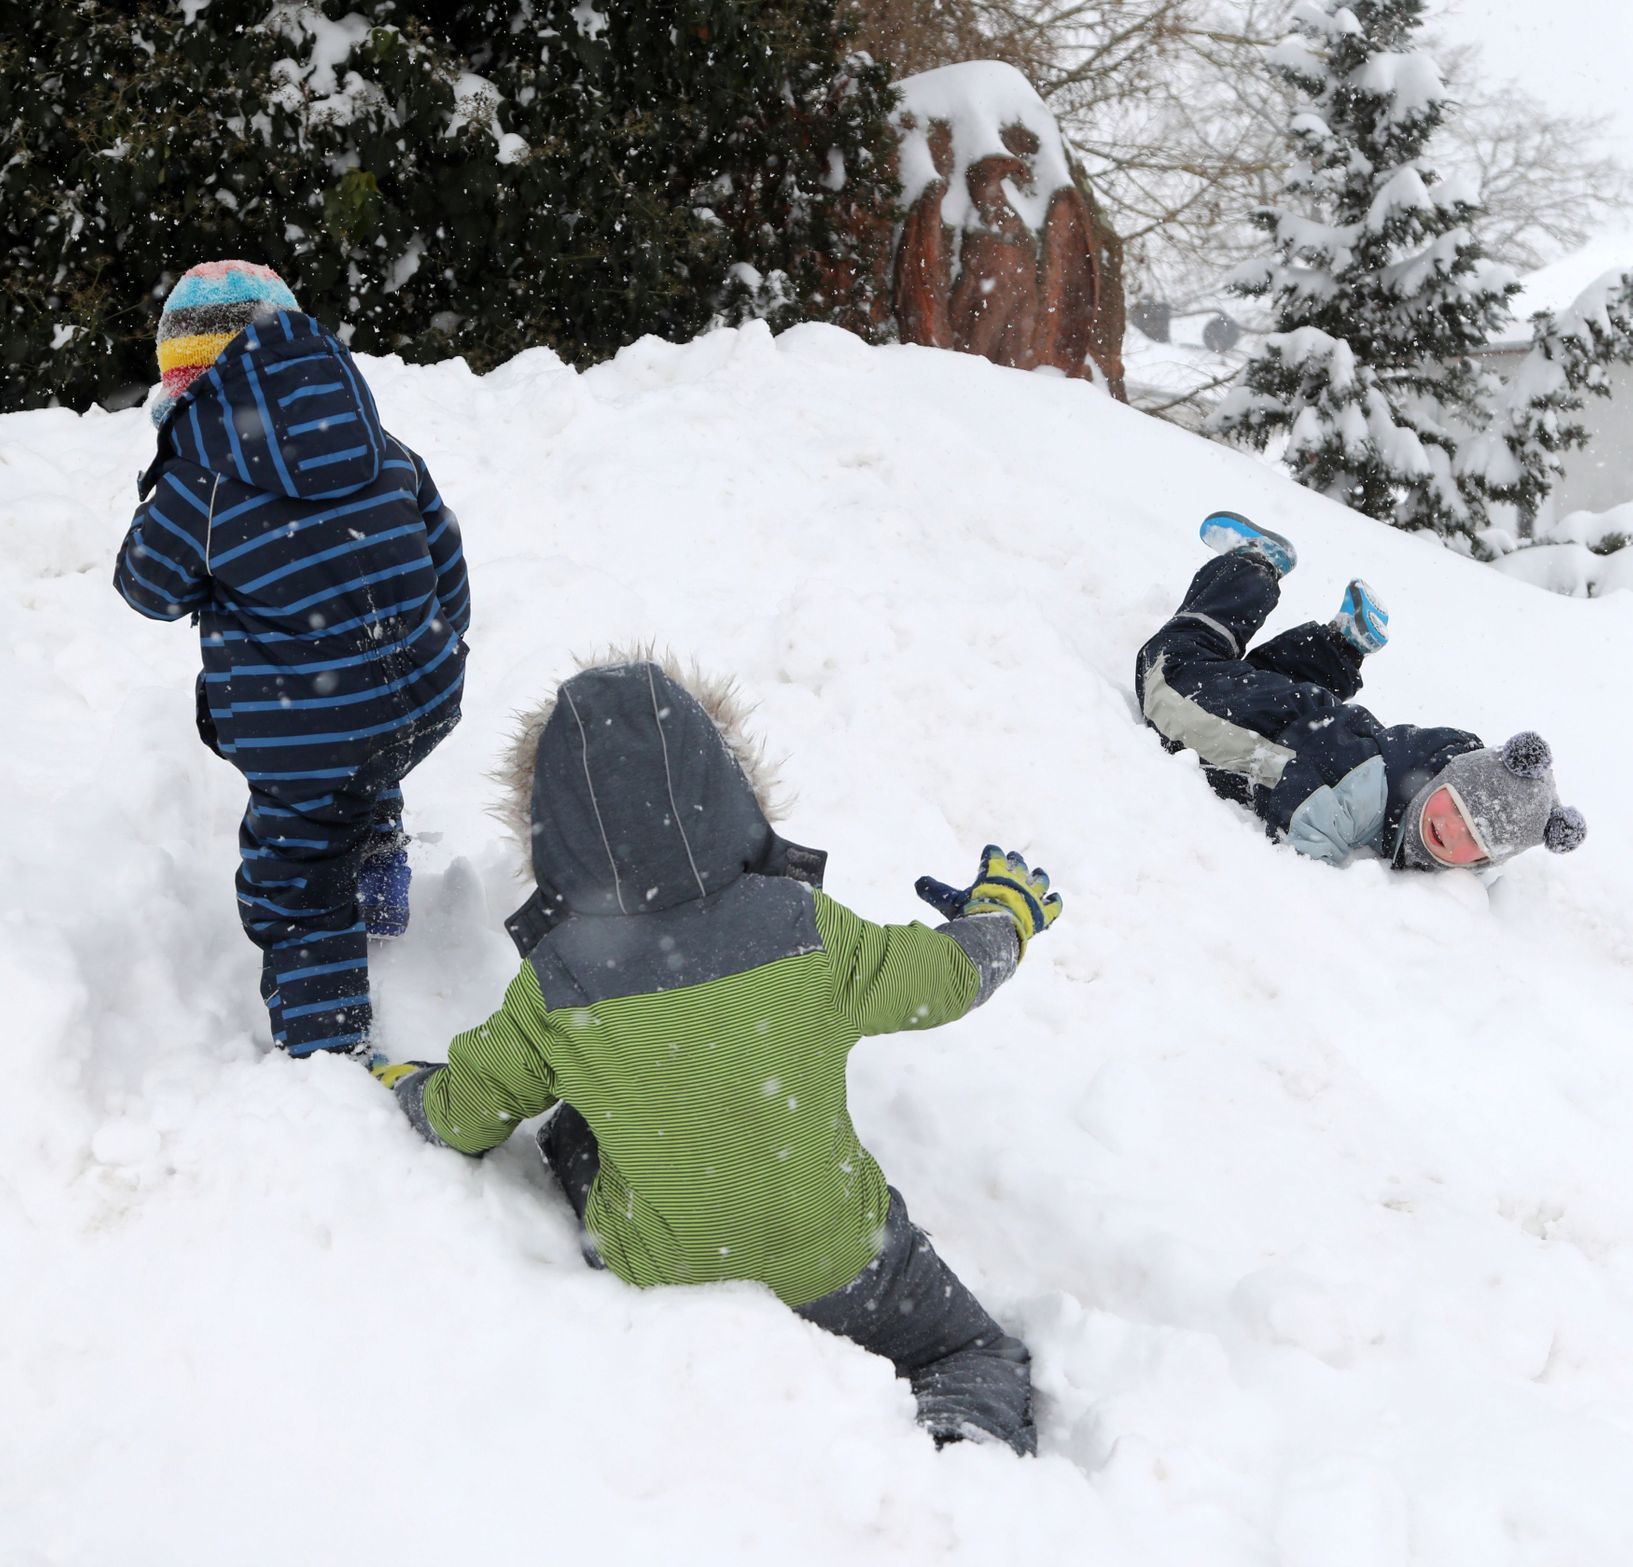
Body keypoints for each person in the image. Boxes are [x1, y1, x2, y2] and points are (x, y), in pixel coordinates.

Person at [368, 654, 1062, 1454]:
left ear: (552, 831)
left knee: (571, 1125)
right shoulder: (806, 928)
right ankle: (961, 1448)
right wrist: (1001, 919)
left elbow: (466, 1116)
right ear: (726, 790)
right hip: (849, 1267)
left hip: (670, 1275)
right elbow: (947, 978)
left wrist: (410, 1087)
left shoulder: (558, 981)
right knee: (970, 1350)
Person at [114, 260, 471, 1055]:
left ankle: (328, 1054)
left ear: (185, 382)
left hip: (309, 730)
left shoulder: (199, 480)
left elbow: (146, 587)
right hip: (422, 697)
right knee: (362, 768)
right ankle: (380, 890)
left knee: (297, 878)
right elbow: (443, 551)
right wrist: (438, 643)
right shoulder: (379, 442)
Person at [1135, 512, 1587, 871]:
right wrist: (1316, 863)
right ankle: (1253, 564)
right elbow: (1310, 815)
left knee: (1259, 678)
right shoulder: (1373, 790)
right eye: (1458, 810)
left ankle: (1340, 646)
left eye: (1474, 841)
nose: (1451, 831)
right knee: (1168, 674)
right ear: (1450, 779)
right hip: (1275, 731)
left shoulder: (1417, 772)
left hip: (1303, 718)